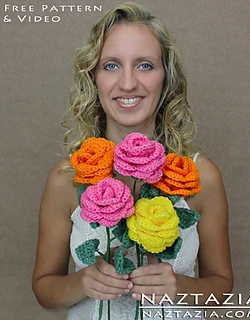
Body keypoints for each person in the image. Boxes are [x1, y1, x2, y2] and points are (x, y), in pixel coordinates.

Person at [32, 2, 233, 319]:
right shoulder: (66, 177)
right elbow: (45, 289)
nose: (127, 83)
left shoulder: (198, 175)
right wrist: (84, 281)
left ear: (166, 78)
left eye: (145, 65)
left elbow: (221, 288)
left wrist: (179, 285)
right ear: (93, 79)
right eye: (111, 65)